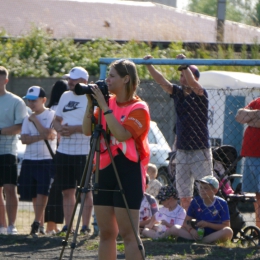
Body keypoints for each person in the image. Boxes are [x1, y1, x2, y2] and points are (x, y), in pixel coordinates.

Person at [82, 59, 150, 260]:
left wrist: (104, 107)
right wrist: (90, 105)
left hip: (128, 170)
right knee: (106, 233)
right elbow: (87, 130)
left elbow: (121, 135)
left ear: (126, 79)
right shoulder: (106, 103)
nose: (107, 80)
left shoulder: (139, 107)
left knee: (128, 234)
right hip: (103, 169)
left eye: (112, 76)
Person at [143, 54, 213, 211]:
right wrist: (149, 66)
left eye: (185, 74)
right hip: (182, 150)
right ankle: (187, 224)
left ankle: (209, 222)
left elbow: (195, 85)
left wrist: (185, 65)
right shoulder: (178, 93)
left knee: (206, 190)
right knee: (184, 194)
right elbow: (163, 83)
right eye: (180, 75)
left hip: (200, 150)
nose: (182, 77)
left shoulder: (201, 94)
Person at [53, 67, 92, 234]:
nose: (70, 82)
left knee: (85, 190)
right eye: (69, 79)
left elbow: (93, 126)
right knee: (67, 191)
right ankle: (68, 227)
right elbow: (56, 119)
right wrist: (60, 129)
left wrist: (75, 129)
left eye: (74, 80)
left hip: (83, 152)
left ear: (84, 81)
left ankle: (84, 227)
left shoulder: (91, 97)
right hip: (63, 151)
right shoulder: (64, 95)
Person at [18, 86, 57, 236]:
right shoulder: (27, 118)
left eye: (34, 101)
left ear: (43, 100)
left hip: (46, 159)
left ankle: (37, 221)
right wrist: (41, 135)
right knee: (34, 193)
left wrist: (36, 121)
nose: (31, 104)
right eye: (29, 100)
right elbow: (24, 139)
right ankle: (38, 223)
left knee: (43, 191)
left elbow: (51, 135)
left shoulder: (52, 115)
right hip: (29, 159)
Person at [164, 176, 233, 244]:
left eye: (206, 188)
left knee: (228, 231)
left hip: (214, 234)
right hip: (197, 234)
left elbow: (226, 226)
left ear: (215, 190)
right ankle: (159, 237)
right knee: (175, 228)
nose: (202, 190)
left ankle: (202, 242)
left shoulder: (222, 204)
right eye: (201, 187)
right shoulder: (196, 201)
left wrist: (208, 224)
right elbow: (185, 222)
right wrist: (192, 231)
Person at [0, 66, 27, 235]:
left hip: (8, 151)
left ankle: (12, 225)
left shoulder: (16, 101)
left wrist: (1, 131)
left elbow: (20, 127)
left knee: (10, 189)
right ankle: (2, 226)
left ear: (6, 81)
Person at [44, 79, 68, 235]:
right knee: (61, 191)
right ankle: (53, 226)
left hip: (47, 155)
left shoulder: (47, 109)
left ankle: (49, 226)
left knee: (50, 191)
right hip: (62, 153)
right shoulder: (62, 110)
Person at [235, 98, 260, 228]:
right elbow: (239, 116)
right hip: (250, 155)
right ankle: (258, 230)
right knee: (257, 197)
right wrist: (258, 114)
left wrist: (250, 117)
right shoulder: (257, 101)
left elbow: (246, 117)